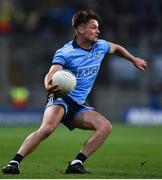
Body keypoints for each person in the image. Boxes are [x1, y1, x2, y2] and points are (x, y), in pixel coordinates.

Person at [2, 10, 147, 175]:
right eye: (93, 27)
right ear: (80, 29)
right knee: (47, 129)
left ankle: (76, 163)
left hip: (78, 104)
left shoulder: (100, 46)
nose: (97, 31)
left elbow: (117, 48)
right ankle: (14, 163)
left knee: (105, 127)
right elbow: (52, 72)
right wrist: (48, 85)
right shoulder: (66, 52)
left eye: (98, 28)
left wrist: (133, 59)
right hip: (60, 98)